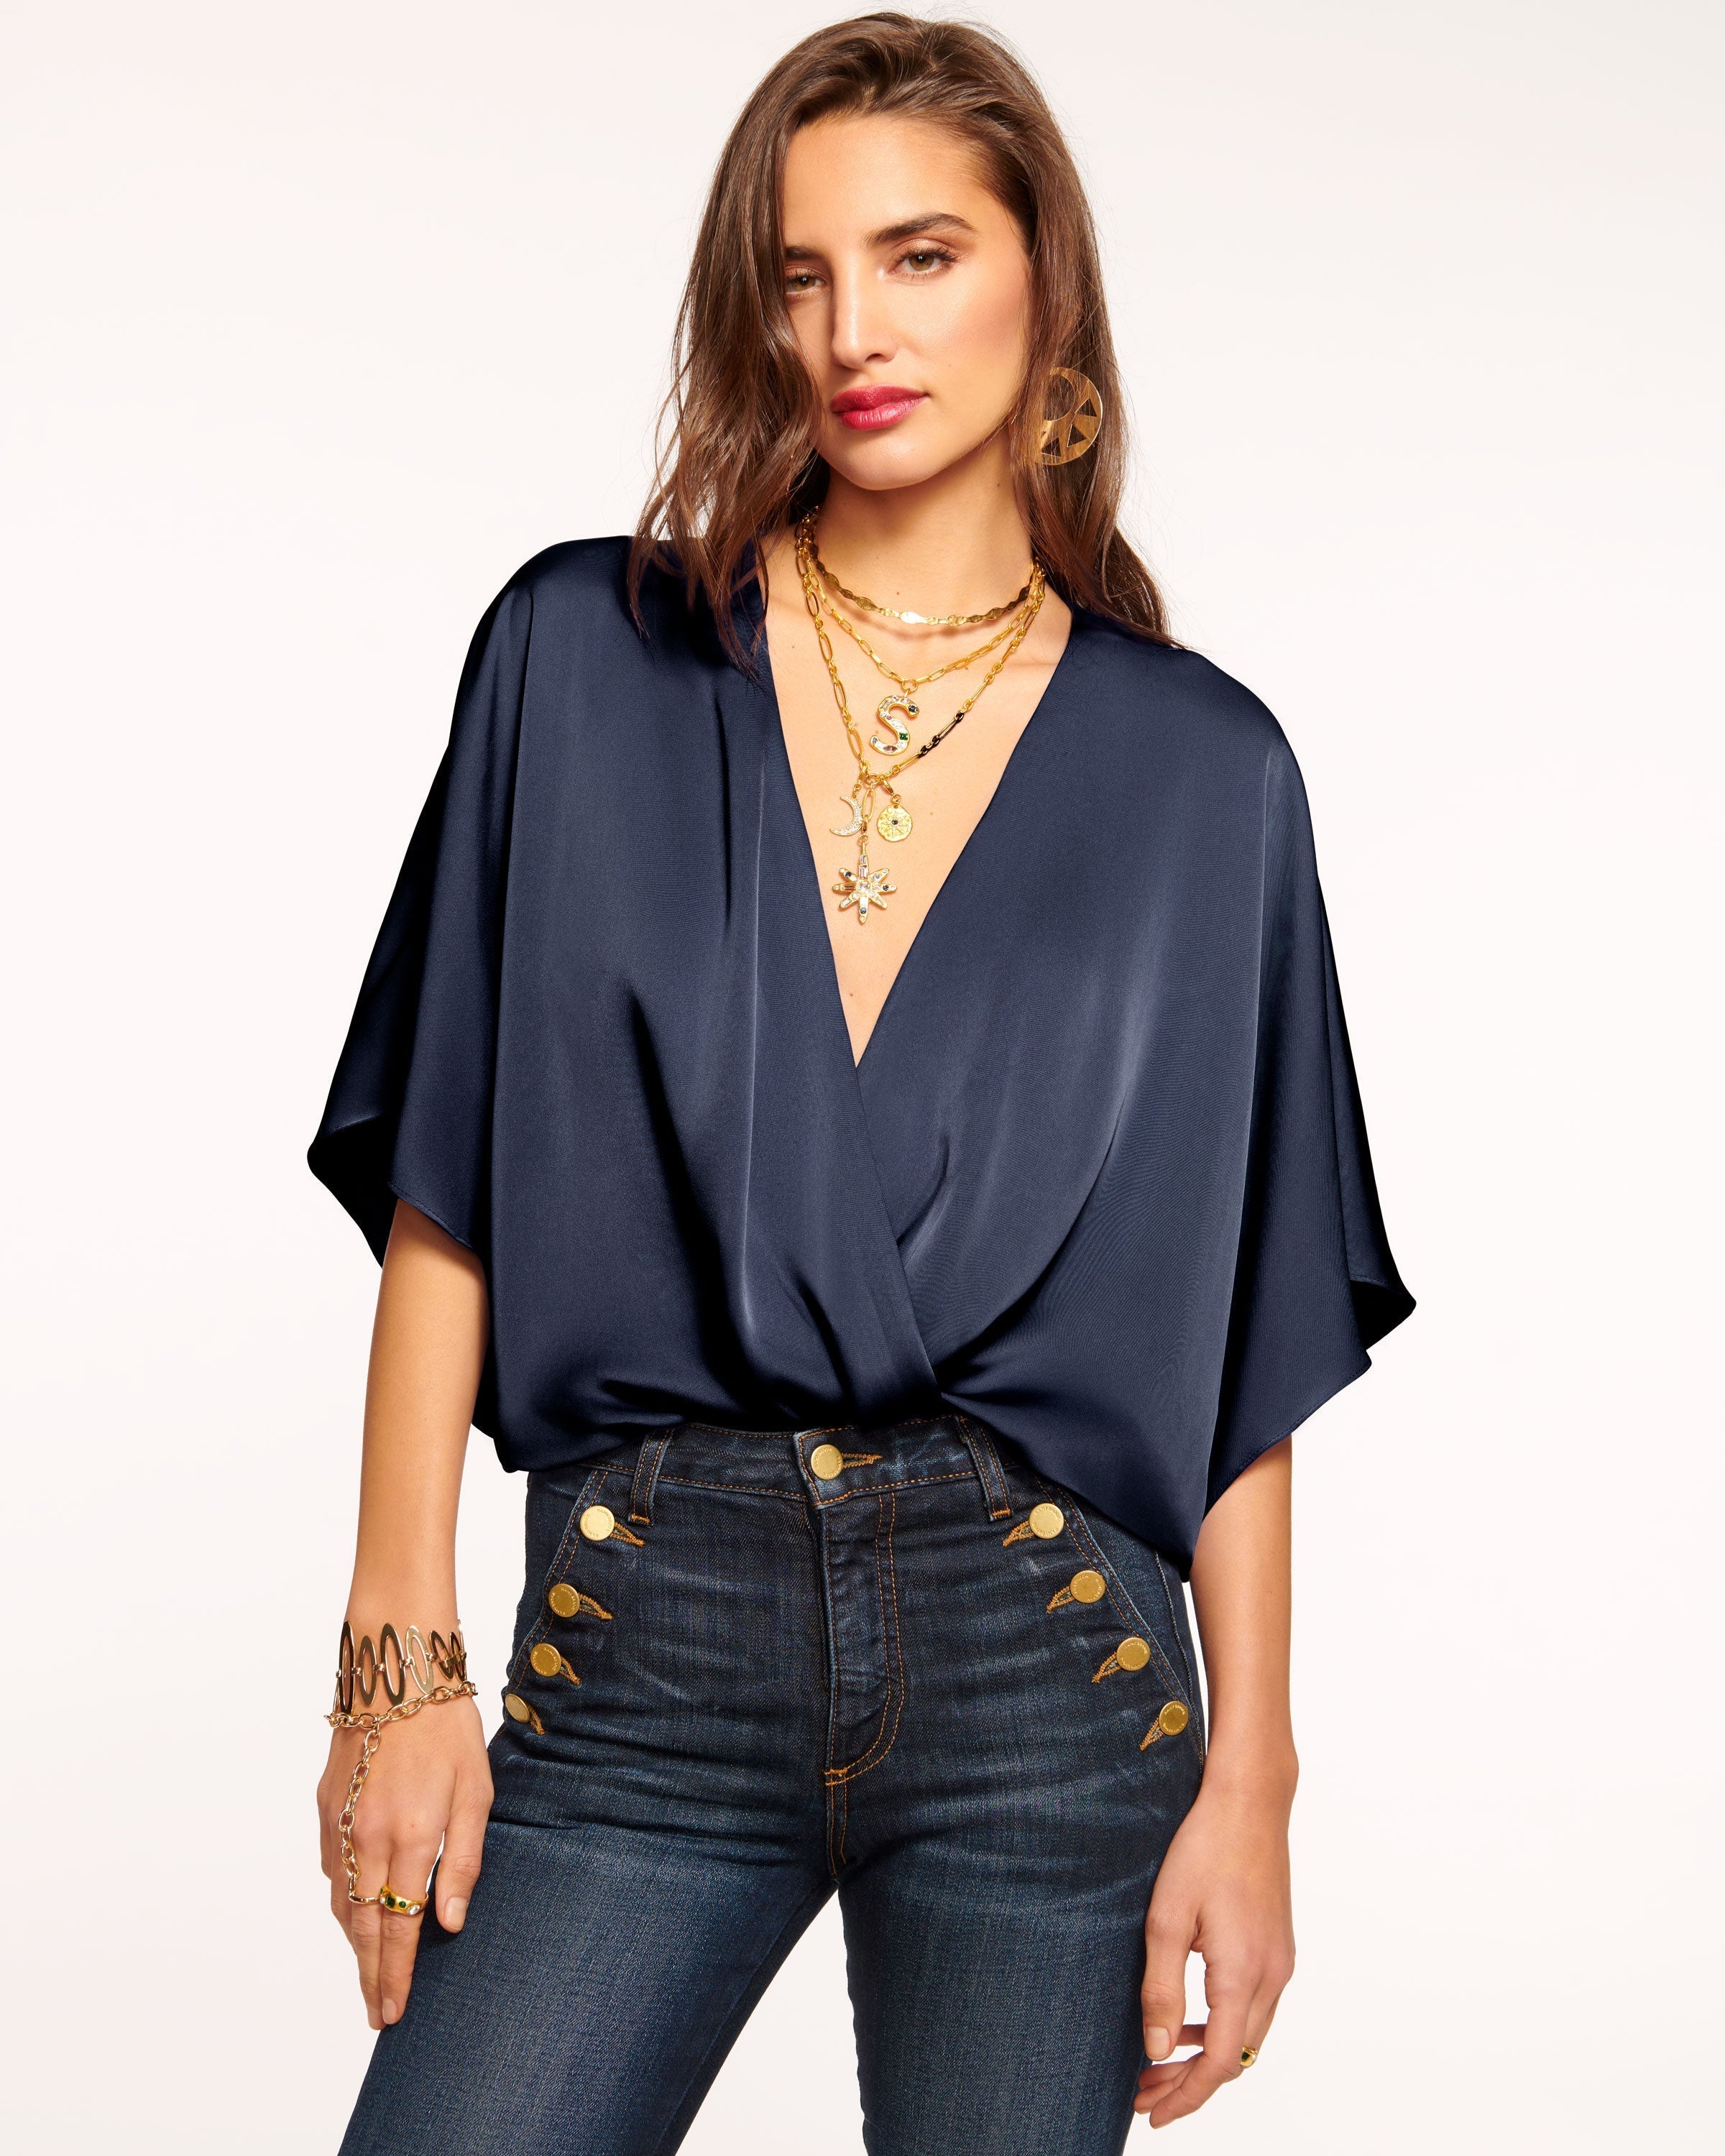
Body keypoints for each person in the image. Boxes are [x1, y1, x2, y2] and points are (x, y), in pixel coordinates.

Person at [310, 14, 1412, 2152]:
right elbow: (454, 1175)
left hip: (1048, 1659)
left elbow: (1235, 1333)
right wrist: (397, 1651)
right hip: (647, 1631)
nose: (853, 332)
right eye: (801, 275)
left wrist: (1255, 1780)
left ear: (1043, 282)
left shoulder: (1205, 774)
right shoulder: (584, 656)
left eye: (920, 257)